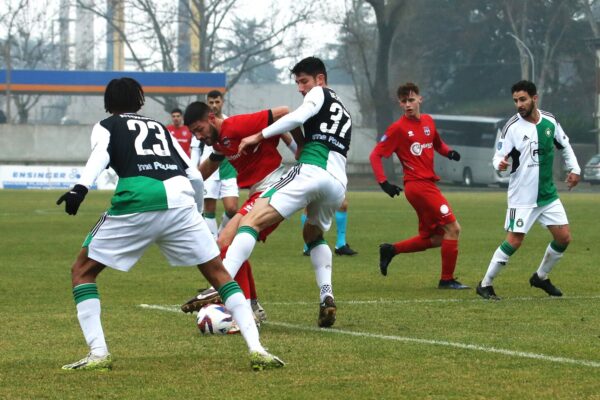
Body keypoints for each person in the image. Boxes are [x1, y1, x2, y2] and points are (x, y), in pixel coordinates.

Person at [57, 77, 283, 371]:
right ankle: (257, 348)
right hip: (180, 200)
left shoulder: (106, 125)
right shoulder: (160, 128)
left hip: (138, 198)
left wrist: (80, 188)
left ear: (108, 103)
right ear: (140, 102)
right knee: (219, 273)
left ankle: (99, 354)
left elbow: (100, 155)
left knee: (82, 271)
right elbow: (192, 173)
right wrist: (197, 213)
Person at [219, 56, 351, 328]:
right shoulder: (344, 110)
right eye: (298, 83)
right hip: (337, 183)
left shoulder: (318, 93)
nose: (301, 88)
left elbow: (297, 116)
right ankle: (326, 294)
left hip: (312, 171)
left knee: (250, 219)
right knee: (312, 233)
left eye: (304, 81)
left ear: (320, 79)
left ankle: (218, 287)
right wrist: (300, 144)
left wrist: (258, 136)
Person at [180, 101, 298, 321]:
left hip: (273, 186)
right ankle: (251, 307)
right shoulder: (221, 143)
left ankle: (241, 309)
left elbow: (283, 112)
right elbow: (208, 167)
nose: (198, 136)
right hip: (259, 192)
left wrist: (295, 147)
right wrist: (183, 186)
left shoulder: (235, 126)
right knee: (232, 244)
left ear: (211, 118)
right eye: (194, 133)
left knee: (225, 241)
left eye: (199, 129)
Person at [476, 80, 581, 300]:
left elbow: (565, 145)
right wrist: (500, 164)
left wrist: (575, 169)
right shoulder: (512, 127)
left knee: (564, 238)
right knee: (514, 241)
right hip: (522, 196)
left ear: (535, 98)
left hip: (547, 195)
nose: (519, 105)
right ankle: (485, 284)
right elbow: (497, 157)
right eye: (515, 101)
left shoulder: (550, 121)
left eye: (522, 99)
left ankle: (540, 277)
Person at [369, 82, 468, 290]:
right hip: (418, 187)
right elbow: (376, 155)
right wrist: (383, 182)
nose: (408, 105)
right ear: (400, 104)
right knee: (453, 228)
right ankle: (446, 280)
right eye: (404, 101)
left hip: (427, 185)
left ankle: (391, 250)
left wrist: (449, 152)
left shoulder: (428, 121)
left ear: (420, 99)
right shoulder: (397, 129)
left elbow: (437, 144)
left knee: (437, 237)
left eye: (411, 100)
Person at [190, 90, 239, 238]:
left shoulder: (229, 122)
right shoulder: (202, 125)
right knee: (209, 209)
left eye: (217, 102)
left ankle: (220, 234)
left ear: (222, 102)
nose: (214, 105)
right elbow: (196, 150)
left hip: (228, 169)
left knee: (232, 209)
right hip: (209, 169)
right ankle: (213, 242)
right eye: (211, 102)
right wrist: (194, 171)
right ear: (207, 103)